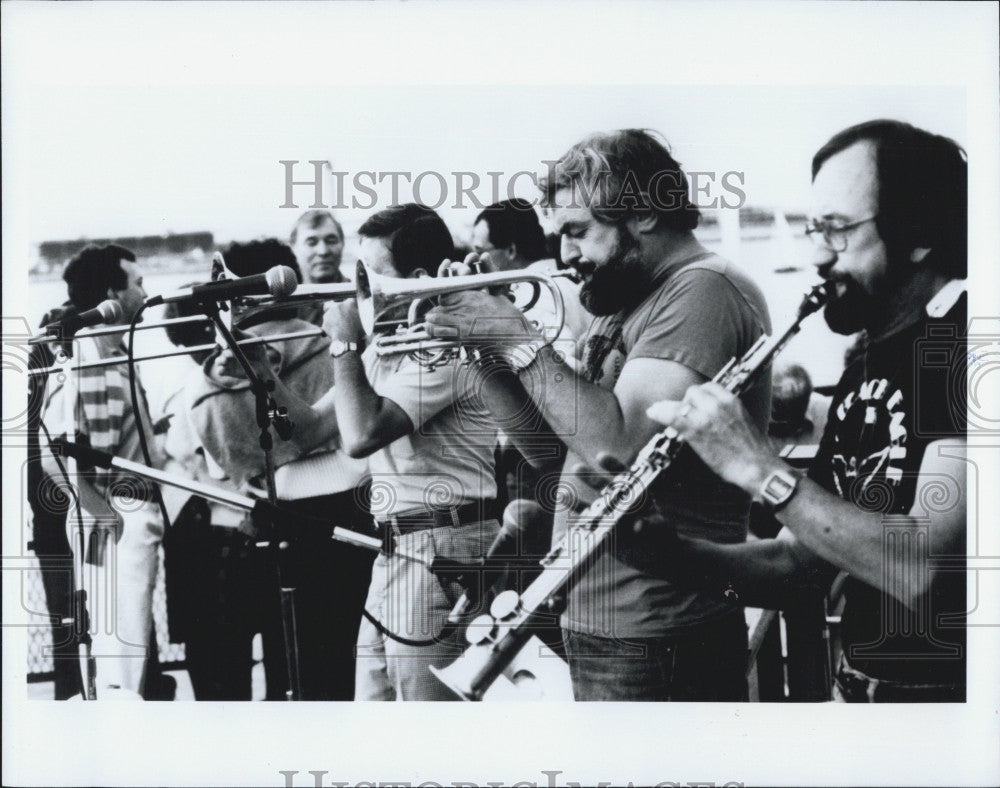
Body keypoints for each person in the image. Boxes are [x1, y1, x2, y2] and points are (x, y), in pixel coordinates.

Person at [426, 129, 772, 701]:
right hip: (603, 620)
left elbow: (619, 451)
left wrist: (514, 334)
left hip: (660, 629)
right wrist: (486, 351)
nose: (564, 255)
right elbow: (557, 454)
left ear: (640, 213)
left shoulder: (702, 291)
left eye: (578, 232)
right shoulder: (630, 299)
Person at [646, 119, 968, 702]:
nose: (816, 253)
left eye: (838, 229)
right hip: (864, 689)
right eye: (814, 228)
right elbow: (804, 563)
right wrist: (672, 556)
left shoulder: (968, 345)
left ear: (919, 230)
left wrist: (759, 468)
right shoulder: (872, 355)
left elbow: (922, 572)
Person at [255, 204, 505, 700]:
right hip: (398, 546)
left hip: (444, 546)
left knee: (424, 721)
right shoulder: (387, 344)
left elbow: (361, 436)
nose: (358, 291)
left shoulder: (449, 344)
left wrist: (344, 346)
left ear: (414, 280)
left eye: (370, 278)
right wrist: (262, 371)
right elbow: (307, 434)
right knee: (376, 707)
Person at [185, 239, 374, 700]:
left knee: (285, 666)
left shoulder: (214, 372)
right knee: (339, 667)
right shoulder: (333, 345)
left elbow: (216, 464)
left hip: (265, 522)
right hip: (343, 519)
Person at [39, 244, 166, 697]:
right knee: (121, 648)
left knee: (125, 642)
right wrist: (99, 510)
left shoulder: (111, 351)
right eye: (138, 283)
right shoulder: (88, 357)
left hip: (124, 513)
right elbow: (53, 447)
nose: (146, 291)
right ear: (113, 292)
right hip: (118, 514)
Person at [290, 210, 349, 326]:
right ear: (293, 247)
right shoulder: (284, 307)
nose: (323, 251)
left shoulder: (363, 299)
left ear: (343, 244)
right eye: (311, 243)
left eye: (331, 241)